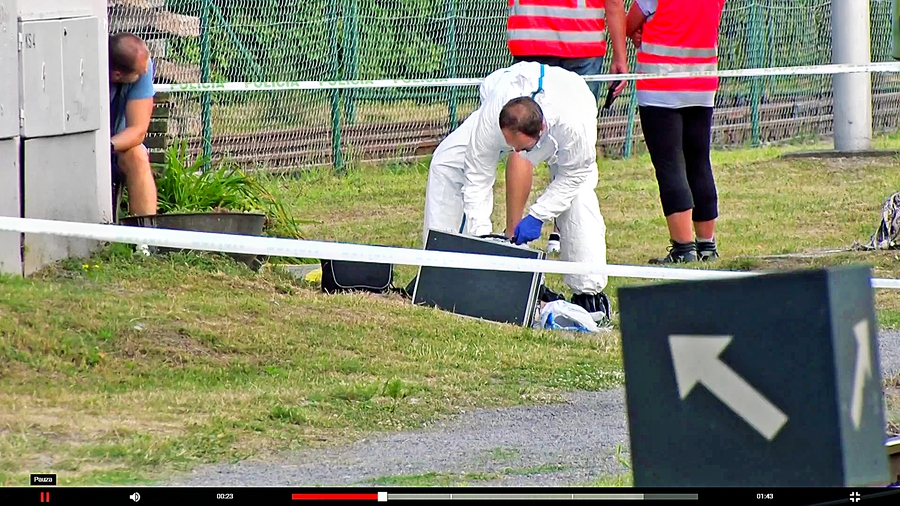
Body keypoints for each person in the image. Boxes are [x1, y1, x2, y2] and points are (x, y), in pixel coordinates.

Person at [421, 61, 611, 323]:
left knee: (579, 198)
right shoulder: (493, 117)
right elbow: (477, 174)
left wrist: (538, 214)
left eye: (521, 149)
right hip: (510, 87)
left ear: (540, 132)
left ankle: (588, 293)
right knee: (445, 164)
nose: (515, 154)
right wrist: (481, 239)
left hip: (571, 103)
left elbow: (574, 175)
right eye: (510, 146)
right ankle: (440, 271)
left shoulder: (574, 126)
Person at [506, 0, 628, 255]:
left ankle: (513, 234)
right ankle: (562, 234)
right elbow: (614, 3)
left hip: (530, 36)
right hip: (581, 42)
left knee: (522, 137)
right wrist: (620, 56)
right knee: (574, 140)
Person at [626, 0, 726, 263]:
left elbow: (630, 22)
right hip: (702, 83)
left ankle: (683, 248)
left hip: (660, 86)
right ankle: (707, 244)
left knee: (670, 164)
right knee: (699, 161)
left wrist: (640, 31)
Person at [109, 33, 157, 218]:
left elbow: (137, 130)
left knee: (138, 155)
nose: (146, 73)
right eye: (139, 73)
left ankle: (144, 241)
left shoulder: (143, 67)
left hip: (112, 145)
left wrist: (106, 148)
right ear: (117, 75)